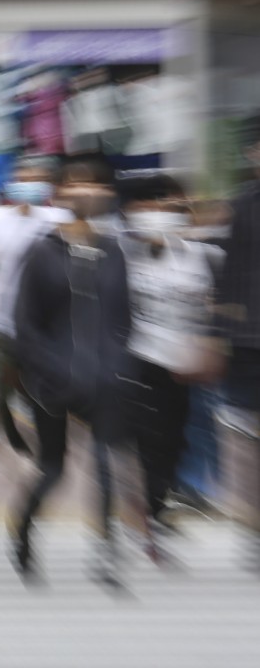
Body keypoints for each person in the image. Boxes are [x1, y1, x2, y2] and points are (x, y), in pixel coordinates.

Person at [10, 155, 132, 588]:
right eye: (77, 184)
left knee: (104, 462)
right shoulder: (42, 251)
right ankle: (23, 534)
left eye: (96, 184)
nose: (87, 192)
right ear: (60, 193)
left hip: (103, 380)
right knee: (53, 467)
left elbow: (124, 317)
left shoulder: (114, 251)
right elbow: (25, 324)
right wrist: (46, 371)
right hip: (51, 383)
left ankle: (107, 555)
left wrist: (116, 363)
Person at [114, 173, 224, 564]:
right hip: (138, 360)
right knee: (149, 441)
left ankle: (153, 503)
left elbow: (221, 305)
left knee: (176, 440)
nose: (157, 214)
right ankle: (151, 514)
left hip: (186, 364)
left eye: (166, 206)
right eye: (148, 207)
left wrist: (213, 341)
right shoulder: (121, 255)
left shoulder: (204, 256)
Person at [0, 156, 73, 457]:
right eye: (23, 178)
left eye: (35, 178)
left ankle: (46, 433)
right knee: (1, 373)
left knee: (40, 377)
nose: (29, 185)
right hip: (4, 314)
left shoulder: (59, 220)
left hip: (48, 320)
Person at [212, 114, 260, 570]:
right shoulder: (242, 205)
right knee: (246, 435)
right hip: (249, 341)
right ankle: (254, 532)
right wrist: (217, 334)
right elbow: (227, 276)